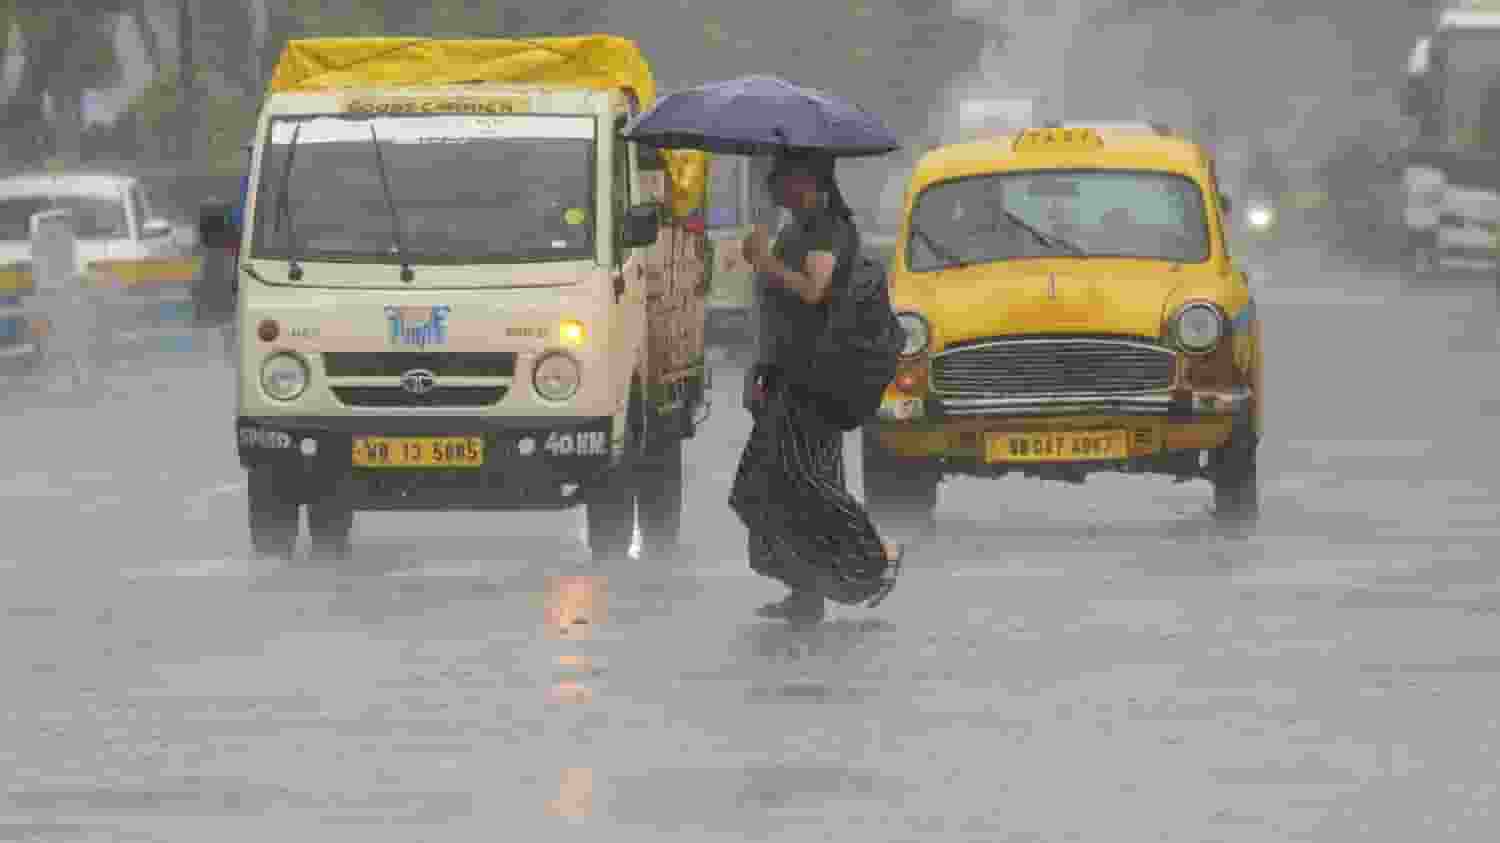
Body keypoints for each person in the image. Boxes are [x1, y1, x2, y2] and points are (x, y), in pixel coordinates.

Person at [728, 149, 903, 624]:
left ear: (811, 182)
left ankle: (876, 555)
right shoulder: (796, 229)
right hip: (788, 374)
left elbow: (813, 289)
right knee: (776, 484)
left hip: (815, 378)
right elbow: (778, 311)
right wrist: (759, 369)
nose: (776, 188)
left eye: (784, 180)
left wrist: (765, 262)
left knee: (797, 483)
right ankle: (805, 591)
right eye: (775, 181)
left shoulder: (826, 228)